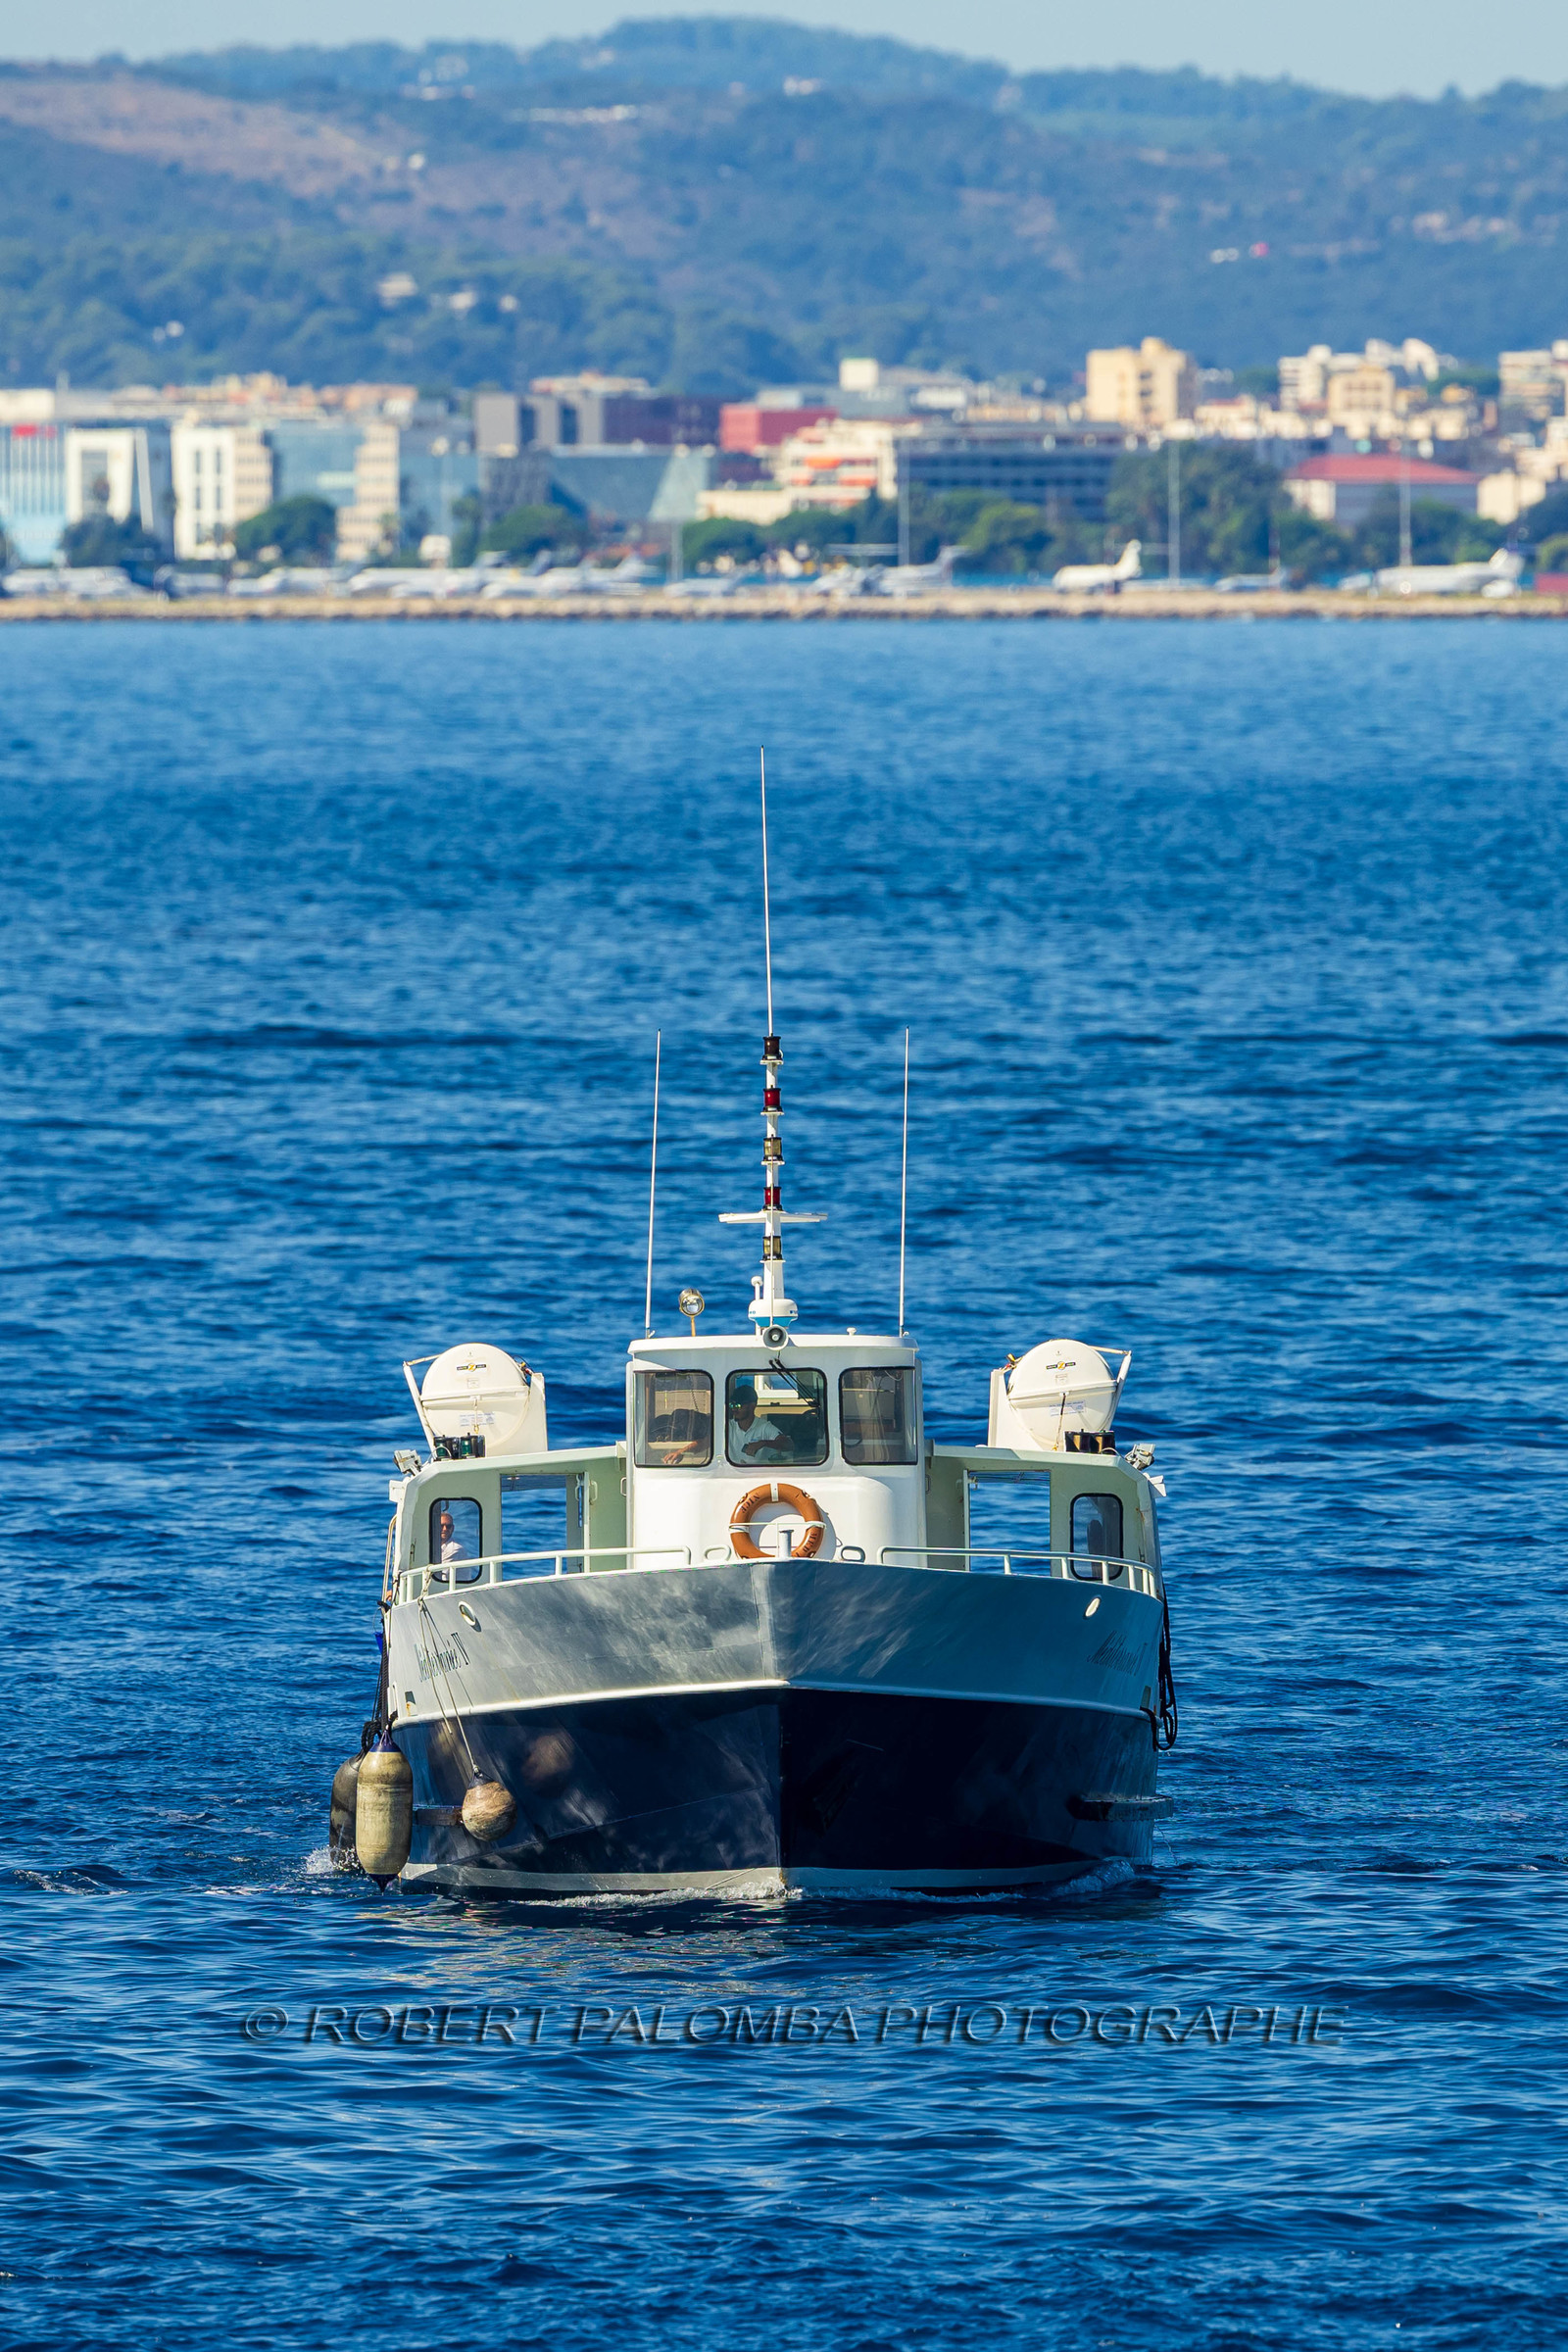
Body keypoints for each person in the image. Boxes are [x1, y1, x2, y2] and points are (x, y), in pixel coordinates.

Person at [728, 1387, 789, 1464]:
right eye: (732, 1405)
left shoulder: (764, 1427)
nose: (734, 1409)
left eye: (738, 1406)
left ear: (752, 1406)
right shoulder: (727, 1427)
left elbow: (788, 1444)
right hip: (732, 1474)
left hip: (757, 1474)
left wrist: (763, 1443)